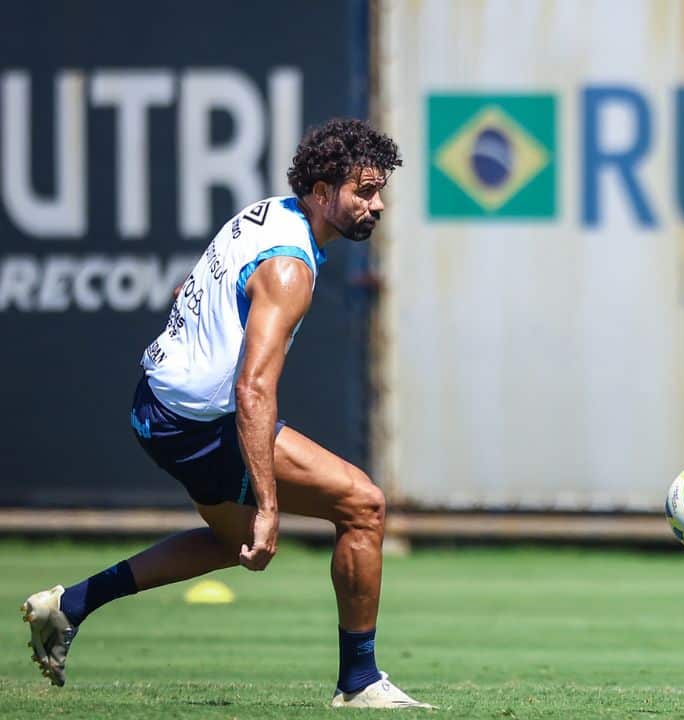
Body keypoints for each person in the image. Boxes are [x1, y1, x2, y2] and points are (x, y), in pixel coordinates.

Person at [20, 119, 429, 709]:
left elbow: (188, 287)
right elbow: (253, 391)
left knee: (227, 543)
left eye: (379, 190)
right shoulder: (290, 267)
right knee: (364, 506)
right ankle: (359, 681)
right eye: (363, 192)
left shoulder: (266, 213)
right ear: (320, 192)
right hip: (198, 424)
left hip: (156, 406)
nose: (378, 205)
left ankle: (70, 607)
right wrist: (268, 506)